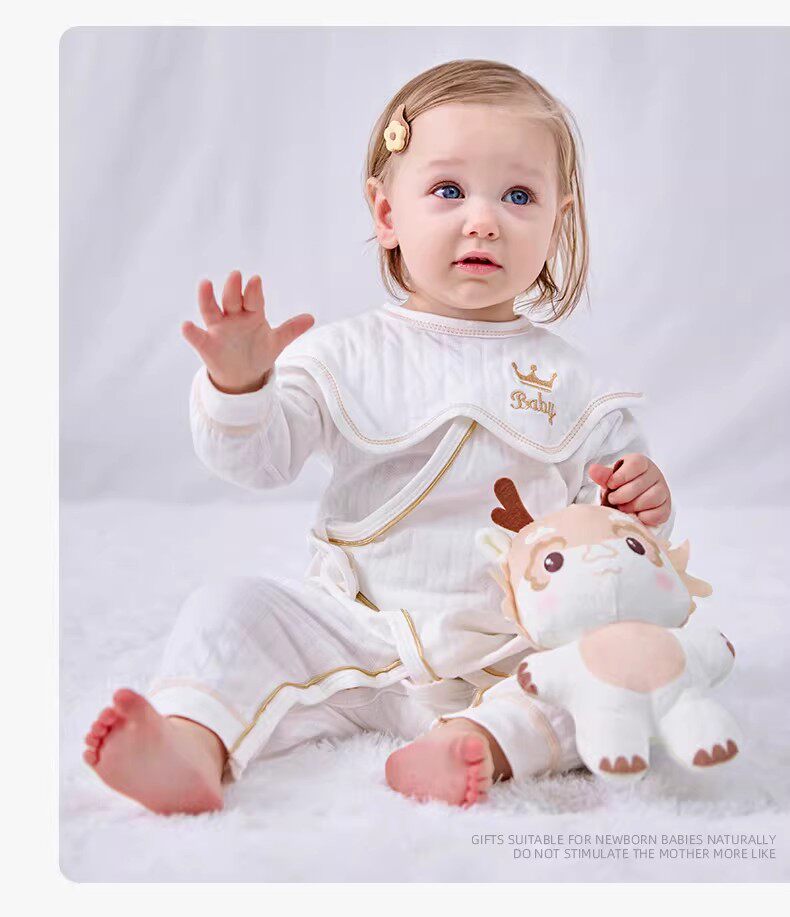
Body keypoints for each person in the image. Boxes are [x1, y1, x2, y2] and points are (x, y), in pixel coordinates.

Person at [83, 59, 674, 813]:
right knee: (231, 607)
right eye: (449, 190)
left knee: (632, 662)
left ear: (557, 223)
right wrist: (241, 386)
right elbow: (257, 460)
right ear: (387, 212)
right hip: (359, 627)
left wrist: (640, 505)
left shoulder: (576, 384)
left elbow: (617, 543)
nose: (484, 220)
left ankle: (480, 742)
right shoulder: (346, 352)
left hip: (514, 643)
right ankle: (190, 743)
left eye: (519, 196)